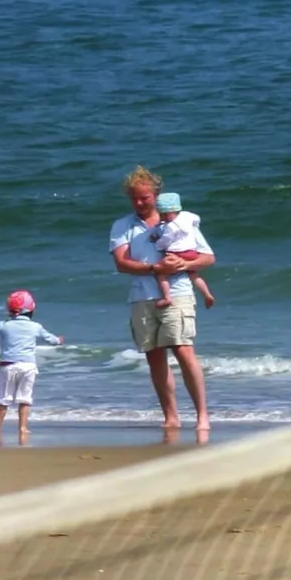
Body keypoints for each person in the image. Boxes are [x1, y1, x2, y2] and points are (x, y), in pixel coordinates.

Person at [108, 167, 215, 437]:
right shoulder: (123, 225)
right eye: (135, 198)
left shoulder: (180, 222)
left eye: (145, 197)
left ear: (156, 195)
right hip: (142, 296)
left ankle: (202, 415)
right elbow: (121, 263)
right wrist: (155, 268)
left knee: (183, 350)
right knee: (155, 357)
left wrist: (183, 262)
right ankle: (171, 416)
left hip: (178, 292)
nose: (140, 203)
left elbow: (208, 258)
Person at [0, 289, 63, 443]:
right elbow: (51, 340)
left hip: (8, 366)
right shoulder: (36, 326)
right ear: (31, 310)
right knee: (25, 399)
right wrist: (59, 341)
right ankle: (22, 428)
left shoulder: (4, 325)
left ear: (9, 310)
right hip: (28, 366)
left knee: (4, 400)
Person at [150, 193, 215, 309]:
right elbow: (197, 219)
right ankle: (207, 294)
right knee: (194, 274)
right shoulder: (188, 216)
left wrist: (157, 243)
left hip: (177, 253)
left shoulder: (170, 226)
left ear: (166, 213)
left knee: (161, 274)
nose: (162, 217)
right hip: (191, 253)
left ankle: (167, 297)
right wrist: (195, 225)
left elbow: (165, 241)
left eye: (163, 215)